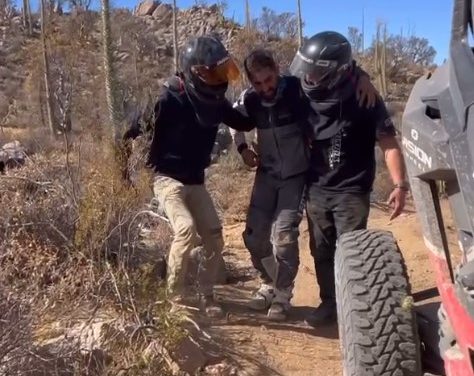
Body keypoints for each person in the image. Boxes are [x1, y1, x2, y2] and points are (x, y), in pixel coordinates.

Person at [230, 49, 378, 321]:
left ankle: (284, 294)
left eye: (269, 79)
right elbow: (233, 121)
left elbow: (334, 74)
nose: (266, 87)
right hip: (266, 174)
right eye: (258, 83)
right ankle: (269, 283)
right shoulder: (250, 99)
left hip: (297, 176)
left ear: (277, 68)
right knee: (252, 236)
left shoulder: (297, 89)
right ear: (251, 82)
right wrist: (241, 148)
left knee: (284, 236)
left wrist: (361, 75)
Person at [123, 35, 254, 317]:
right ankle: (175, 301)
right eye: (213, 71)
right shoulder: (167, 99)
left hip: (195, 180)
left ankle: (207, 296)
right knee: (185, 229)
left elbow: (243, 121)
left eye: (222, 70)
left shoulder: (216, 103)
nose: (219, 78)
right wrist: (123, 175)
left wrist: (264, 98)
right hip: (166, 178)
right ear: (195, 71)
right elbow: (126, 132)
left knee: (215, 237)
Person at [289, 31, 408, 326]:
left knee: (353, 252)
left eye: (317, 71)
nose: (310, 76)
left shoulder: (363, 96)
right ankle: (330, 302)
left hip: (352, 190)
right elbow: (267, 89)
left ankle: (355, 309)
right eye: (308, 69)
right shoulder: (303, 92)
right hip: (316, 186)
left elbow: (388, 142)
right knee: (321, 250)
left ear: (336, 71)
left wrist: (400, 185)